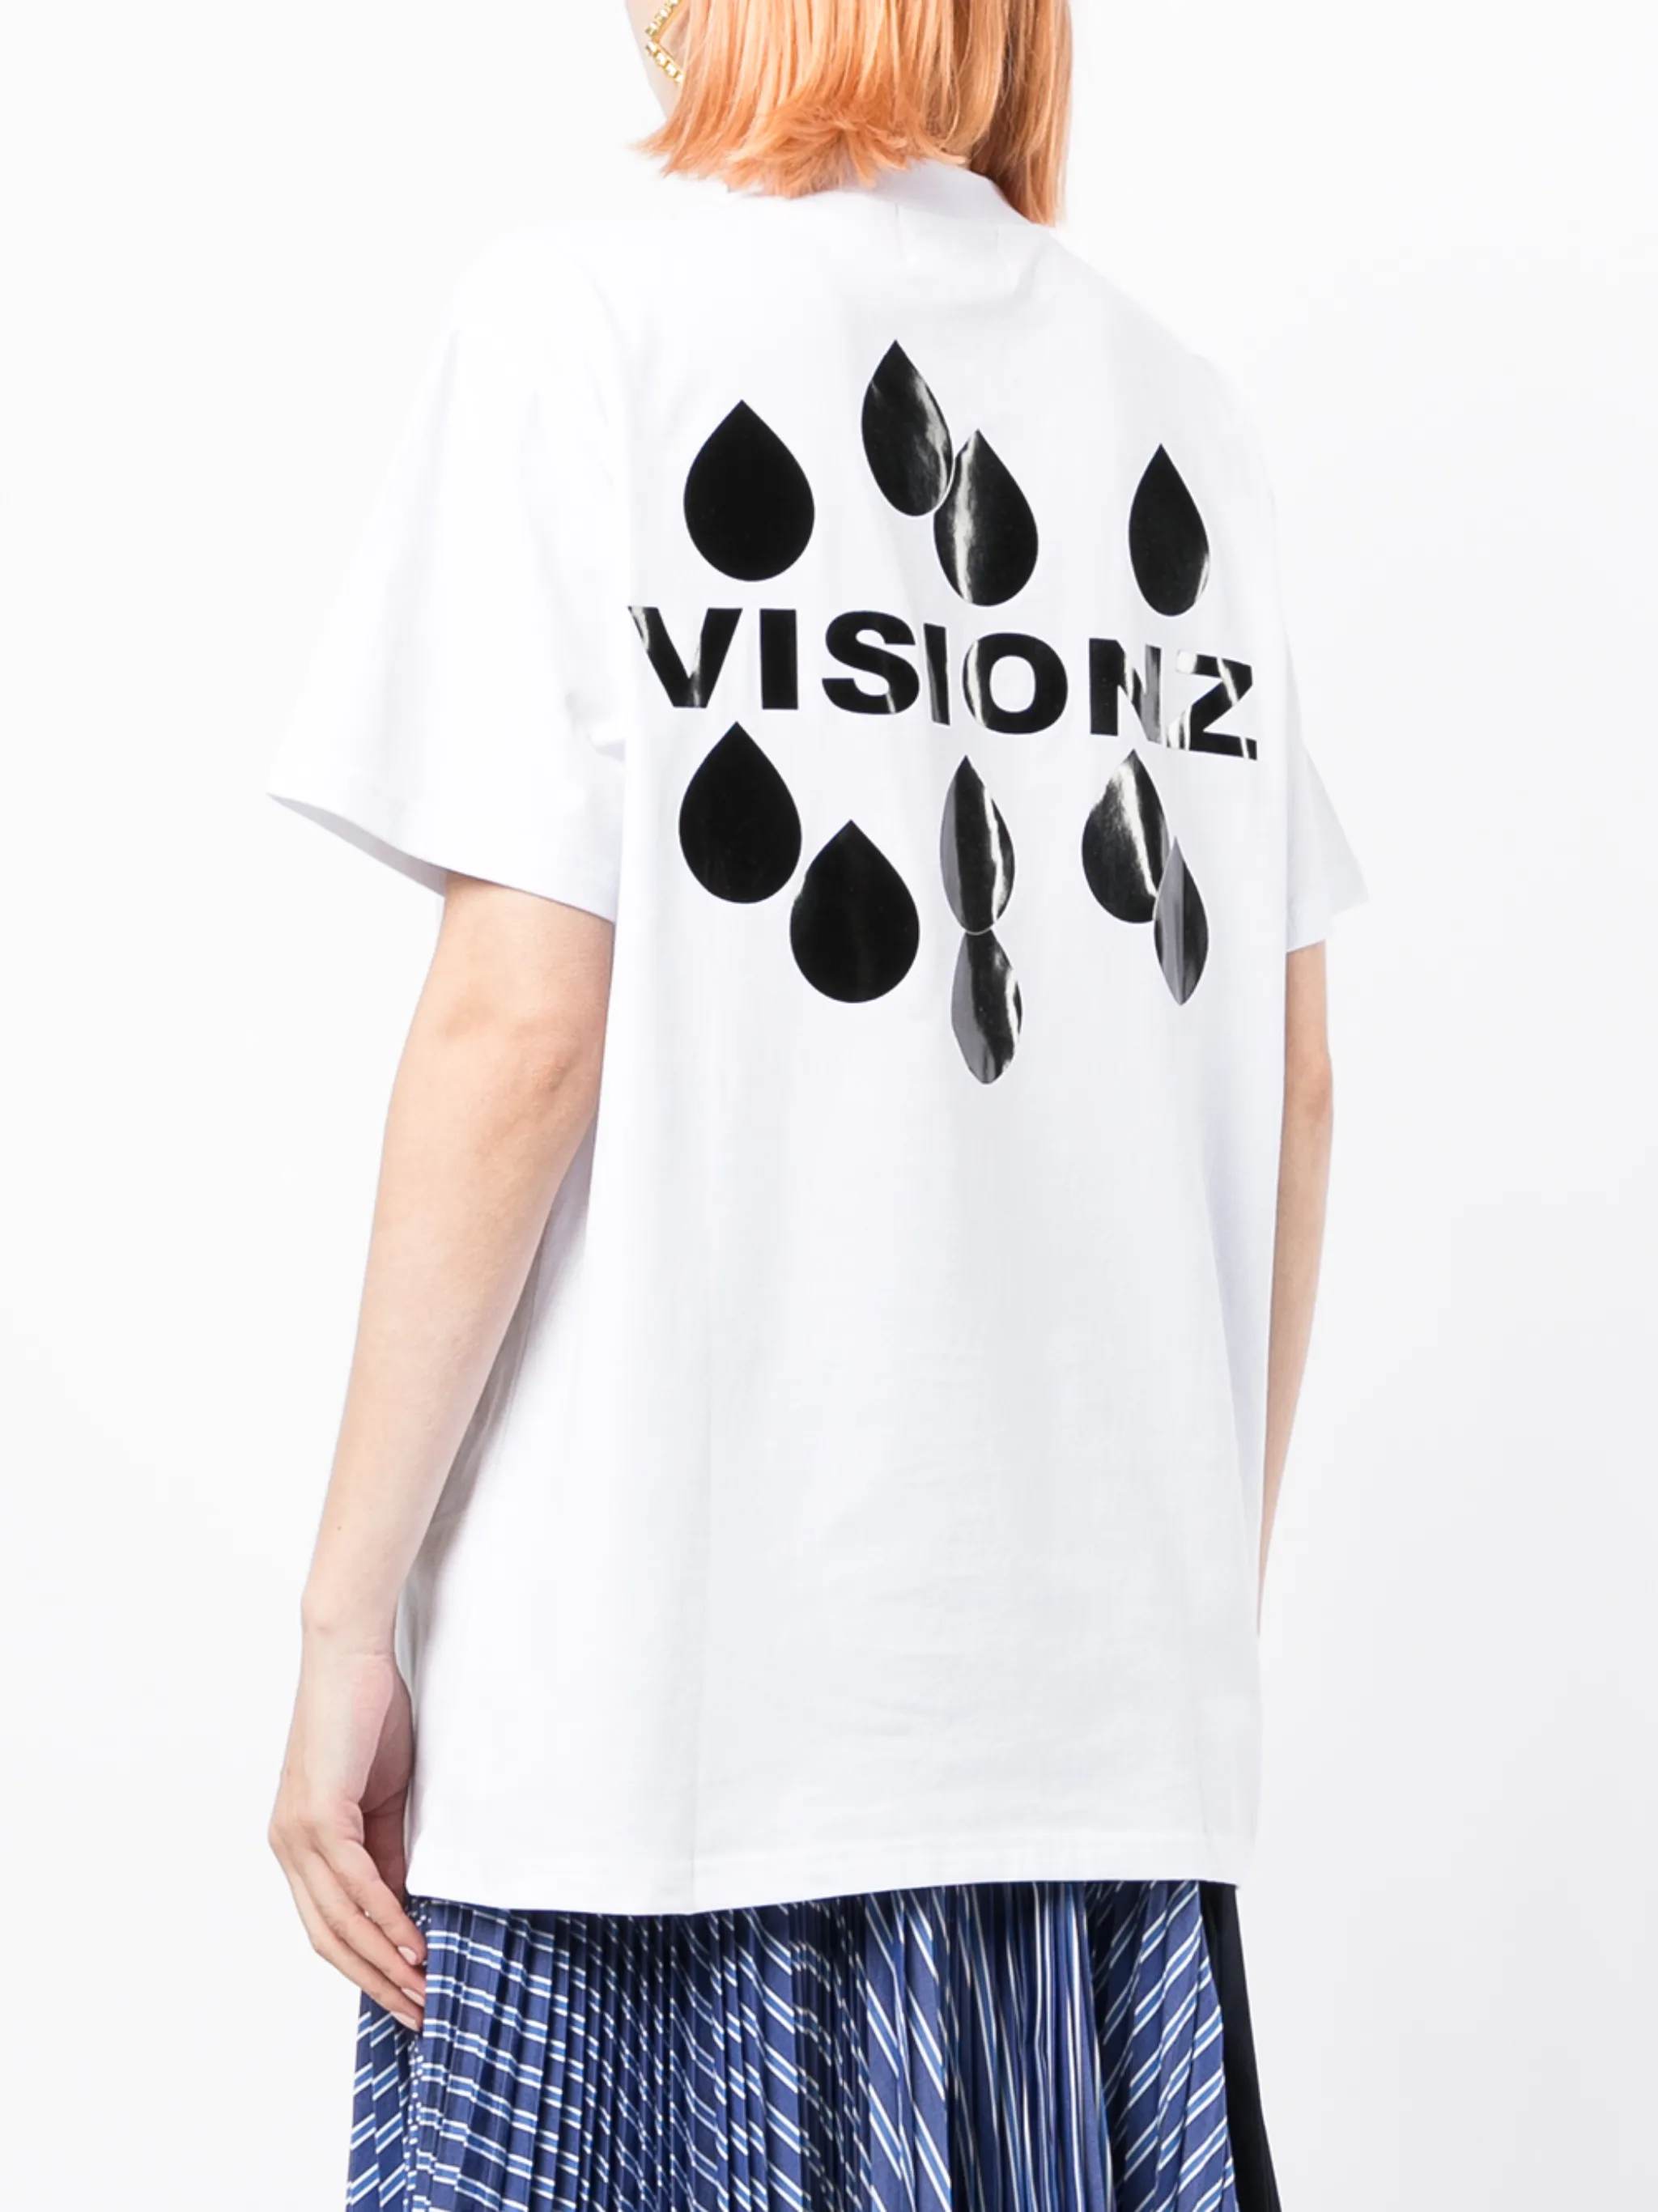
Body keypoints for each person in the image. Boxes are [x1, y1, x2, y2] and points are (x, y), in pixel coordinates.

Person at [267, 2, 1366, 2206]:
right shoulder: (1181, 409)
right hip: (1091, 1781)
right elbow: (1295, 1079)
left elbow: (521, 1029)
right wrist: (1161, 1628)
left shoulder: (589, 328)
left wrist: (339, 1625)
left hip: (662, 1746)